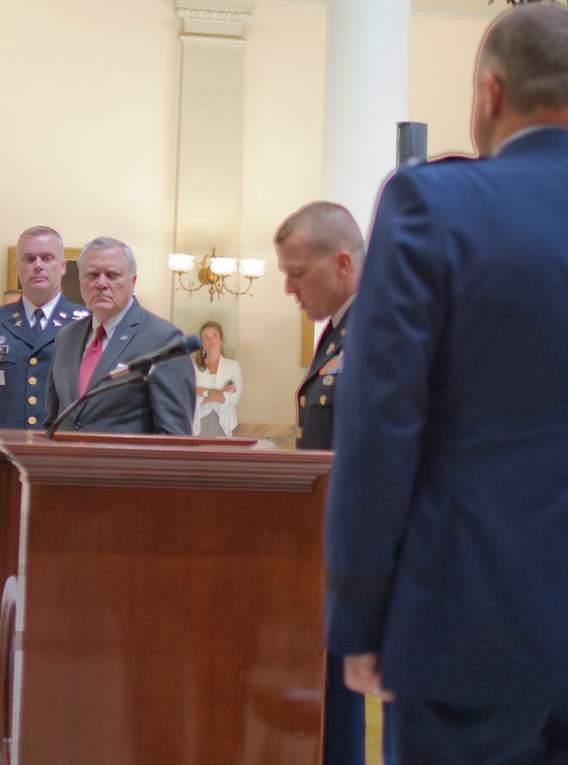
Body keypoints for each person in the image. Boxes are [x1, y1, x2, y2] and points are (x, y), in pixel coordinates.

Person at [326, 6, 568, 763]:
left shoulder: (436, 204)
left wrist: (360, 614)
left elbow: (380, 425)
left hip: (473, 615)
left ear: (491, 94)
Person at [274, 201, 375, 765]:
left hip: (353, 549)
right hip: (326, 541)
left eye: (295, 273)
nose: (288, 289)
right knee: (328, 697)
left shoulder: (378, 329)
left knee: (341, 701)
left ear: (341, 263)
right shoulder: (339, 332)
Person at [0, 226, 87, 563]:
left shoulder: (85, 323)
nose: (38, 266)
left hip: (63, 463)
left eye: (47, 258)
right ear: (18, 267)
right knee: (5, 561)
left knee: (61, 559)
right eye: (29, 259)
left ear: (62, 267)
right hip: (5, 463)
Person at [45, 236, 196, 435]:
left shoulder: (163, 340)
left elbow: (174, 437)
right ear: (80, 279)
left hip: (124, 466)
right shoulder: (66, 336)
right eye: (92, 275)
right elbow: (52, 422)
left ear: (133, 282)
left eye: (112, 275)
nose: (101, 283)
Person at [191, 321, 243, 437]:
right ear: (202, 343)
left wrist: (201, 391)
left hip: (225, 422)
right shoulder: (194, 368)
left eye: (215, 336)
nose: (211, 340)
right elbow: (191, 400)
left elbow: (233, 398)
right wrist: (220, 393)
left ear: (221, 341)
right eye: (206, 337)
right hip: (200, 423)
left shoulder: (232, 366)